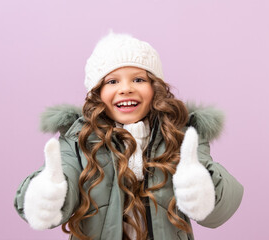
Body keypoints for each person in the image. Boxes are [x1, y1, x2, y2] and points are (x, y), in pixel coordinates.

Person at [14, 32, 244, 240]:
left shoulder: (181, 136)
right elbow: (63, 175)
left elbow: (218, 209)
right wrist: (48, 195)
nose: (126, 88)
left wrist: (203, 188)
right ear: (97, 93)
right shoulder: (78, 139)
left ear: (155, 88)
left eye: (138, 79)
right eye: (112, 81)